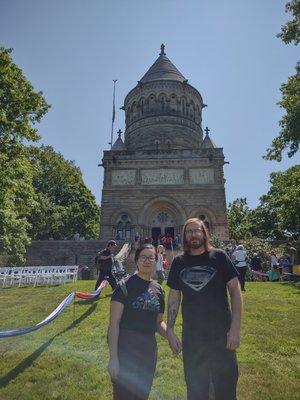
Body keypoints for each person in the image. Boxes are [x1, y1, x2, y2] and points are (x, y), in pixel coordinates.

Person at [167, 218, 242, 400]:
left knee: (226, 386)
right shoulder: (178, 262)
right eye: (189, 231)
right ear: (184, 236)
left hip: (221, 334)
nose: (193, 235)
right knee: (196, 387)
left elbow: (235, 291)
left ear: (204, 233)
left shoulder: (219, 256)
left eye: (197, 230)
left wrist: (235, 329)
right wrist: (169, 329)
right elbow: (174, 297)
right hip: (193, 337)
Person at [108, 244, 167, 400]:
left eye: (151, 257)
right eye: (143, 257)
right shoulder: (123, 287)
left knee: (142, 394)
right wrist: (113, 358)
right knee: (124, 395)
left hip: (148, 349)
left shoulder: (159, 290)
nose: (147, 261)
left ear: (156, 261)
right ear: (136, 260)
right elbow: (113, 324)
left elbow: (159, 322)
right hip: (126, 348)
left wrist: (171, 336)